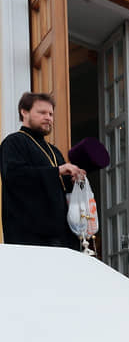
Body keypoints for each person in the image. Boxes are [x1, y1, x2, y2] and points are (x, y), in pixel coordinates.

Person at [0, 92, 84, 248]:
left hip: (61, 237)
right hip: (28, 237)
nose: (49, 118)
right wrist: (57, 171)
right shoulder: (13, 142)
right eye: (42, 112)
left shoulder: (54, 151)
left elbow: (62, 189)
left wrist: (73, 180)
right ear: (24, 112)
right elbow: (14, 176)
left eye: (51, 114)